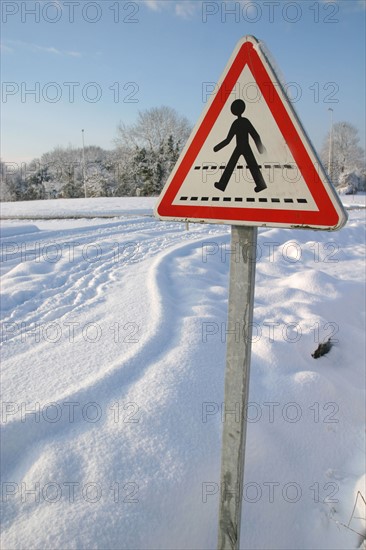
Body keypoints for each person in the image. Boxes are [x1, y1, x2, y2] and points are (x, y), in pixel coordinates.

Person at [213, 99, 267, 193]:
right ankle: (260, 184)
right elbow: (255, 135)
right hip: (243, 147)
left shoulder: (236, 123)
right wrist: (260, 148)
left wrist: (217, 148)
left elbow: (228, 140)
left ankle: (222, 184)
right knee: (250, 165)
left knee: (236, 165)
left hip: (242, 146)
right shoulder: (244, 121)